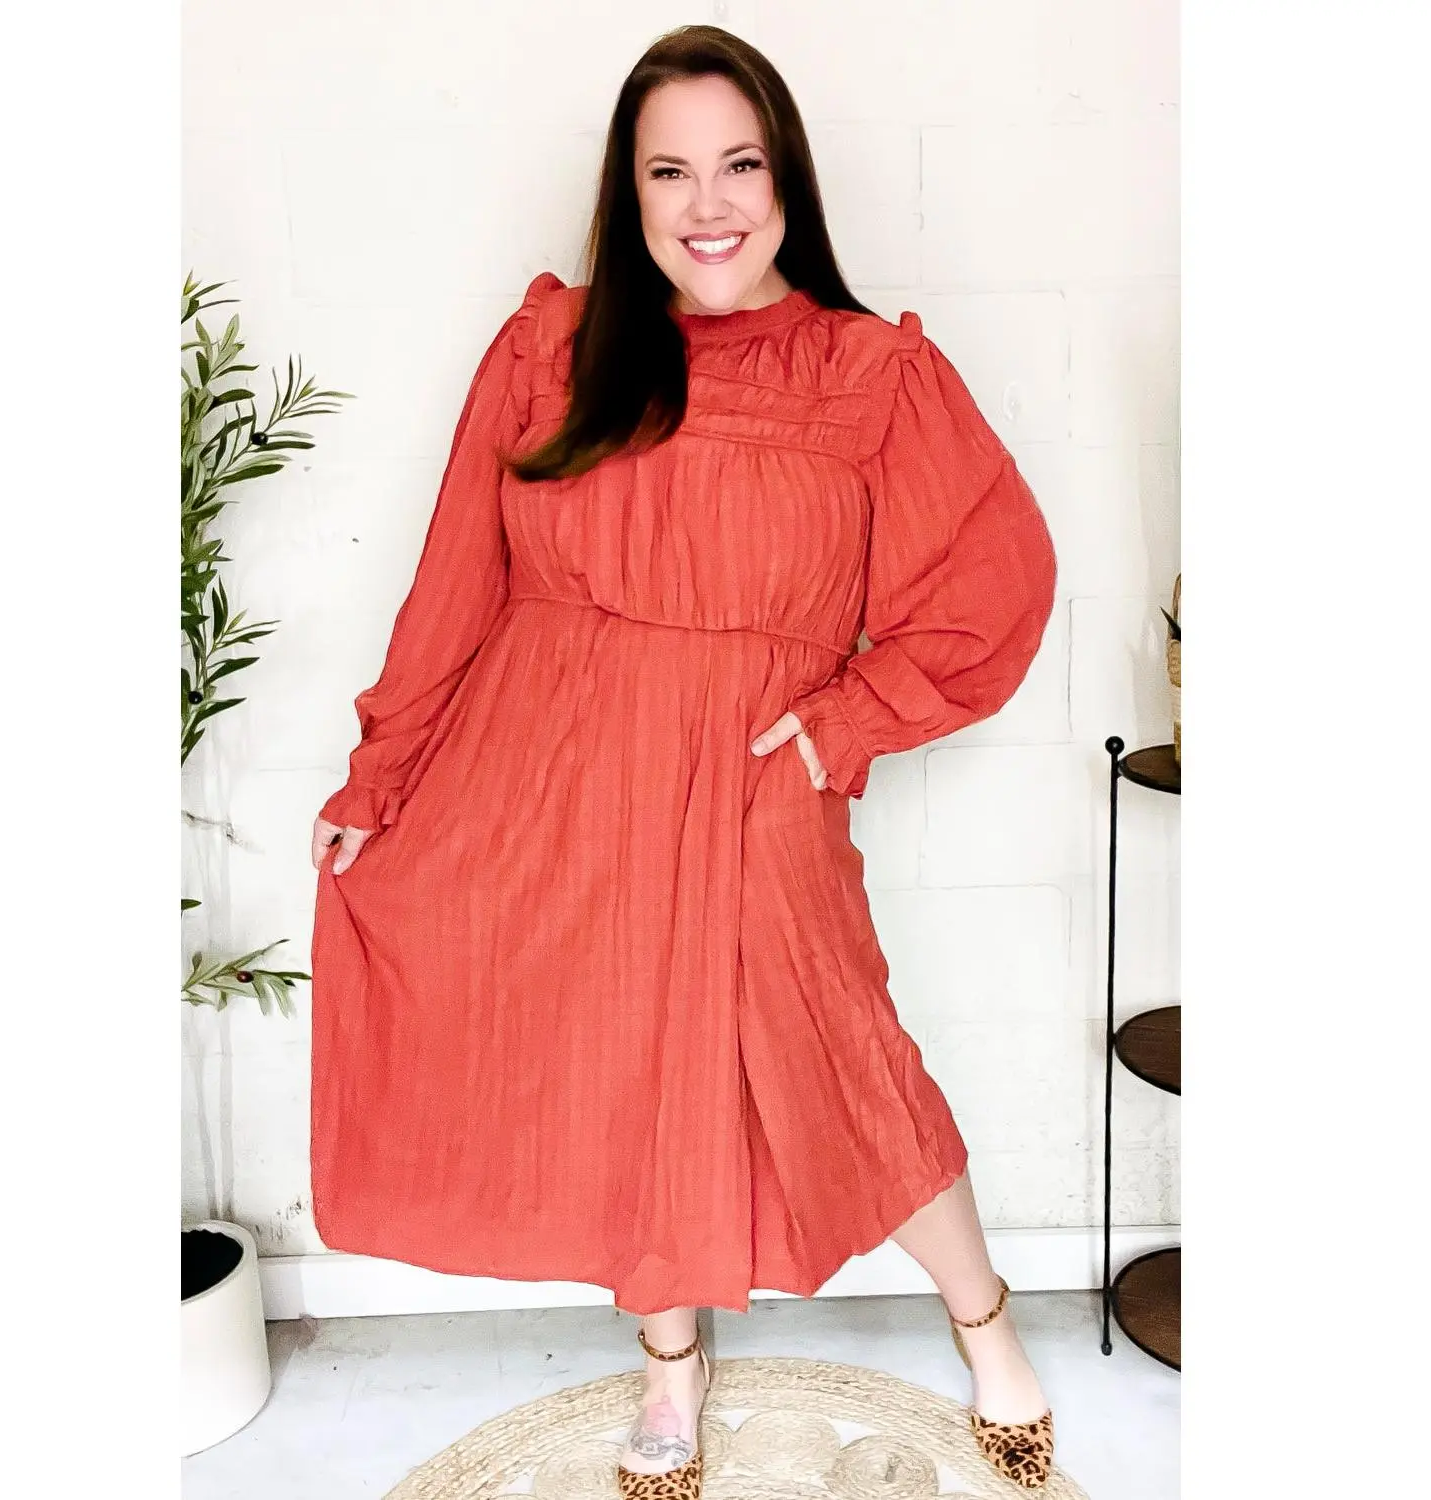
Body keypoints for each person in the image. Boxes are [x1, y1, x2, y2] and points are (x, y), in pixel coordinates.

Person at [309, 23, 1060, 1497]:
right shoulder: (550, 350)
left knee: (844, 1058)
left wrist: (846, 719)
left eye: (739, 166)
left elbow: (996, 580)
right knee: (618, 1065)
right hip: (553, 774)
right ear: (629, 191)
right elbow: (457, 578)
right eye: (669, 172)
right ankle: (671, 1365)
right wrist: (381, 774)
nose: (707, 205)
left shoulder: (870, 374)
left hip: (753, 782)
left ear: (786, 184)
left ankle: (986, 1323)